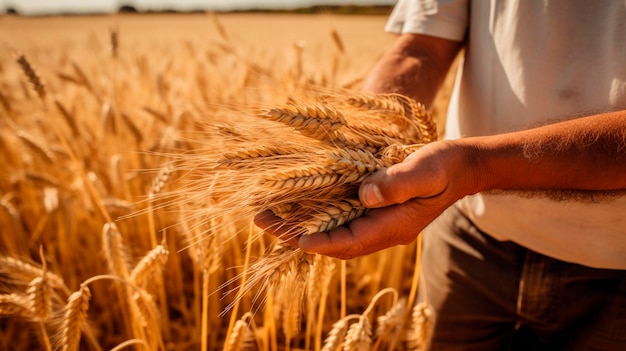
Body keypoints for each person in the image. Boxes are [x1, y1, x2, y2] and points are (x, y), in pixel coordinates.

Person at [257, 1, 626, 349]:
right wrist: (362, 146)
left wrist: (475, 167)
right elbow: (422, 48)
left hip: (613, 270)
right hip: (466, 234)